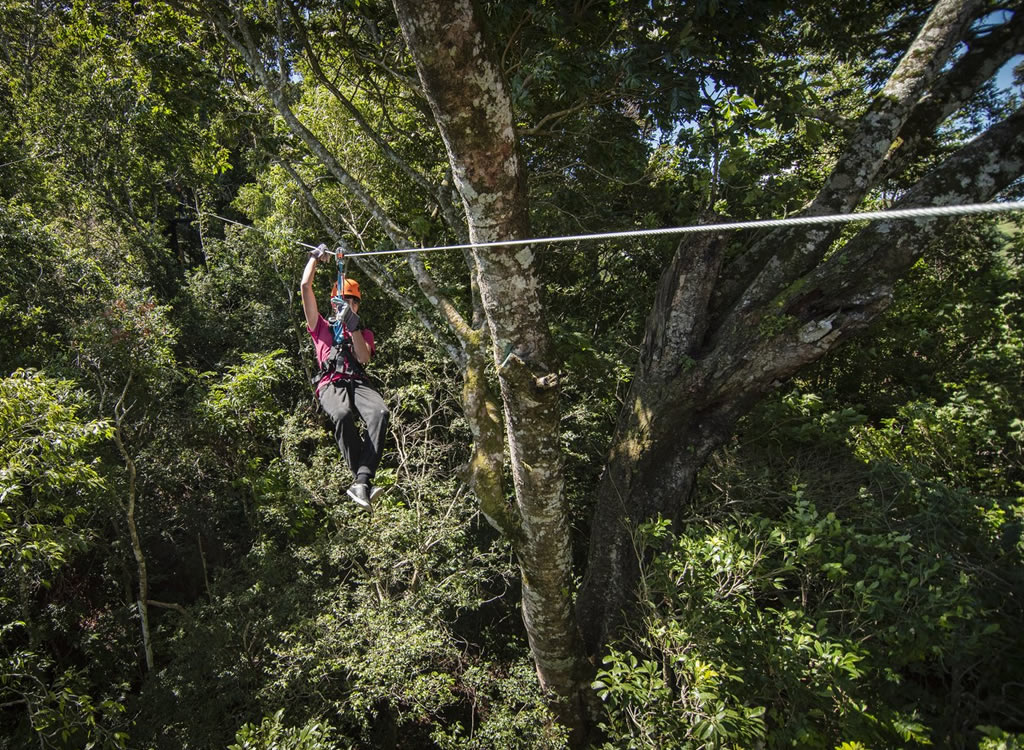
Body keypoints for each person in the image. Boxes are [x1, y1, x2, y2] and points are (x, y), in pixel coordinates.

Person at [301, 244, 389, 510]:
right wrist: (315, 259)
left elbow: (363, 358)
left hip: (358, 381)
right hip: (331, 383)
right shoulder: (321, 327)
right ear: (334, 303)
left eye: (353, 301)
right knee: (340, 415)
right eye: (345, 301)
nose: (349, 305)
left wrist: (355, 328)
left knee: (380, 413)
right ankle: (360, 480)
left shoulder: (364, 332)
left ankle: (362, 482)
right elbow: (306, 287)